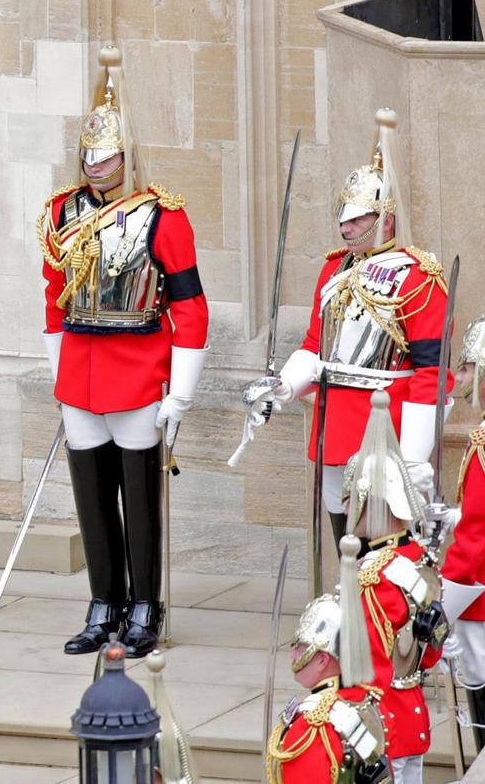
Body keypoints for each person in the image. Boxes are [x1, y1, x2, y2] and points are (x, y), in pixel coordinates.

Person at [37, 46, 207, 657]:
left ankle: (144, 604)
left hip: (138, 367)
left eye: (106, 154)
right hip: (81, 367)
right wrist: (57, 371)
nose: (96, 164)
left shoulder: (163, 216)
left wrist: (180, 387)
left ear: (126, 154)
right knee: (91, 493)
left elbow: (188, 304)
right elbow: (56, 293)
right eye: (89, 154)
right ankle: (104, 599)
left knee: (138, 495)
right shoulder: (63, 211)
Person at [242, 109, 449, 557]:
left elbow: (432, 371)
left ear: (386, 219)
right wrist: (284, 386)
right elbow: (316, 347)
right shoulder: (333, 271)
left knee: (384, 548)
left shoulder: (419, 278)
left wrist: (412, 456)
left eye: (359, 218)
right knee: (346, 547)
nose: (346, 226)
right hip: (333, 424)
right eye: (344, 217)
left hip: (384, 426)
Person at [339, 391, 446, 784]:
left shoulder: (374, 574)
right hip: (411, 711)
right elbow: (431, 651)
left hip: (382, 722)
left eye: (354, 503)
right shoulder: (420, 558)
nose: (351, 513)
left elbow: (361, 661)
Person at [267, 578, 391, 784]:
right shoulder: (367, 703)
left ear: (323, 660)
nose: (292, 655)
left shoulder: (311, 726)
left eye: (300, 647)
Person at [435, 316, 485, 755]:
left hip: (479, 596)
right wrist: (455, 514)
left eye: (469, 369)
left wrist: (445, 597)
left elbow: (477, 535)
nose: (461, 378)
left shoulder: (483, 441)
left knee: (478, 678)